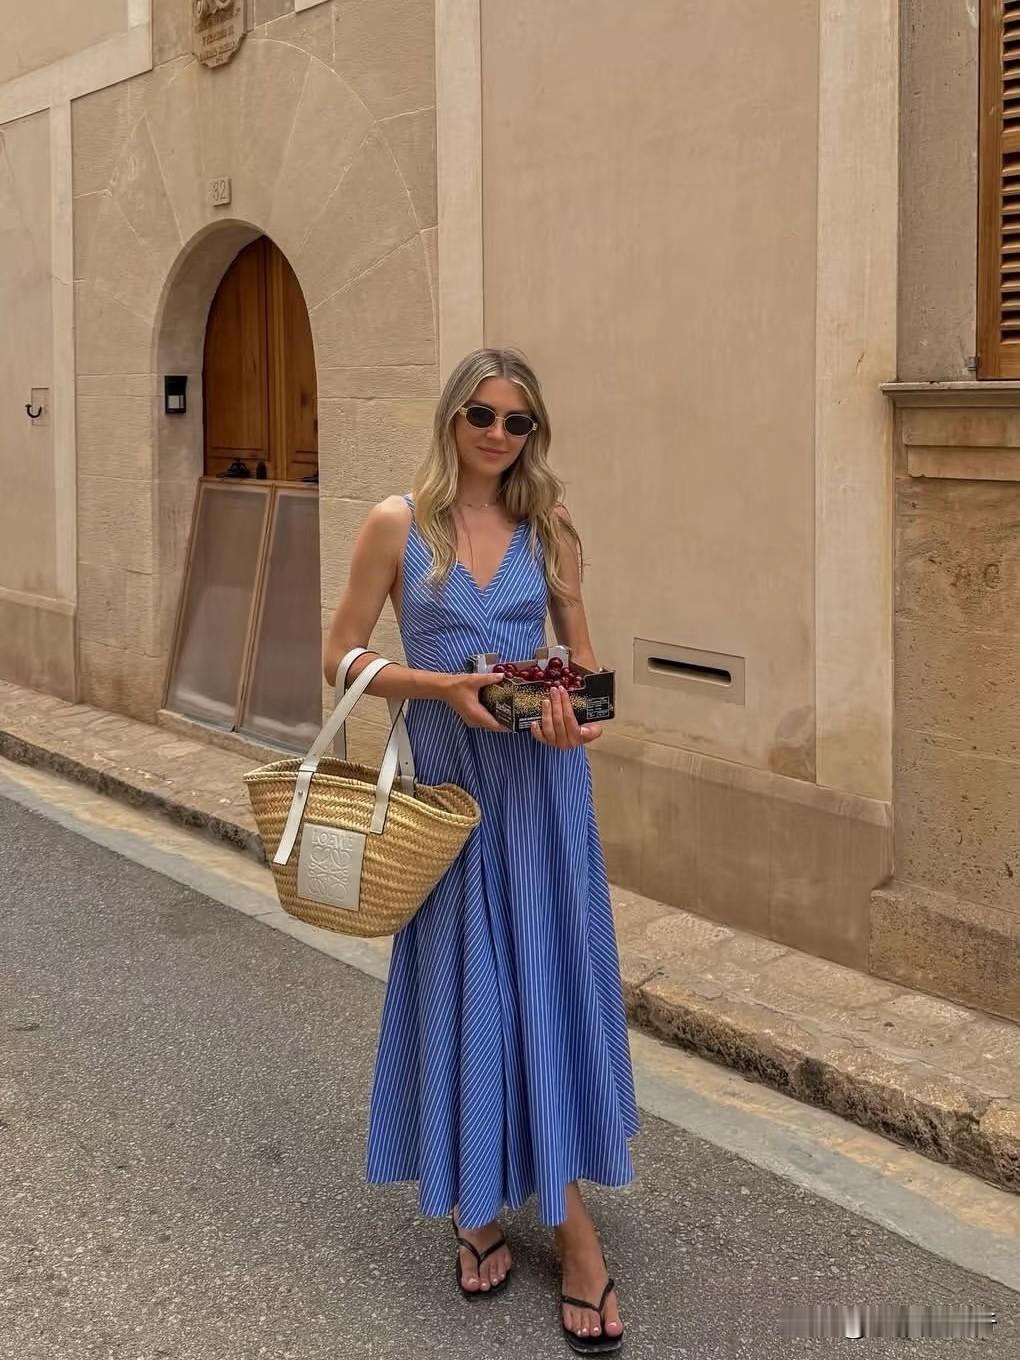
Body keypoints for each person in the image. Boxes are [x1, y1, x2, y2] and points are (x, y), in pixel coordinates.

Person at [323, 348, 638, 1354]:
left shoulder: (549, 528)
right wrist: (438, 687)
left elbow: (585, 666)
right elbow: (338, 655)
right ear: (452, 418)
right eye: (483, 415)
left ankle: (569, 1225)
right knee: (473, 995)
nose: (499, 435)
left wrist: (579, 714)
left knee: (543, 989)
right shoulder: (398, 524)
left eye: (518, 421)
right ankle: (480, 1199)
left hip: (541, 797)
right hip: (452, 798)